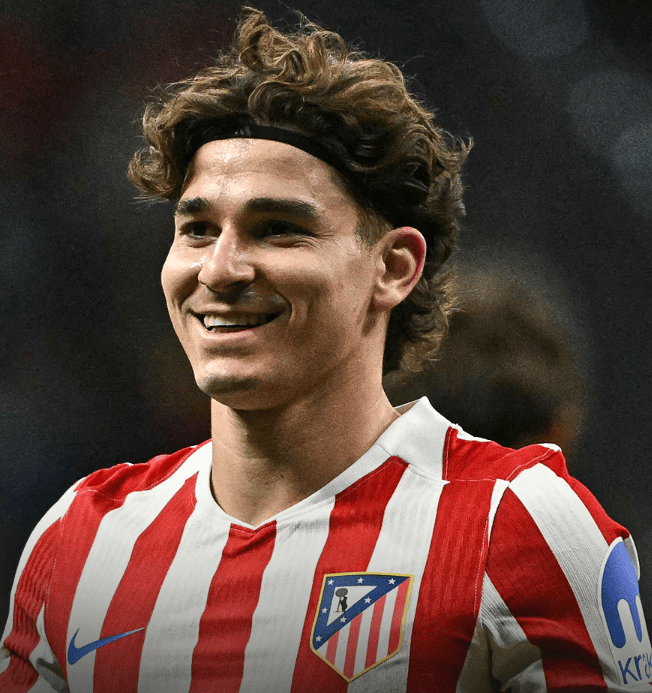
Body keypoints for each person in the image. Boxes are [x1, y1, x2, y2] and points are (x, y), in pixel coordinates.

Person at [1, 7, 649, 692]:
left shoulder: (518, 524)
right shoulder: (81, 541)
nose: (219, 269)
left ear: (393, 267)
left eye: (278, 228)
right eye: (197, 229)